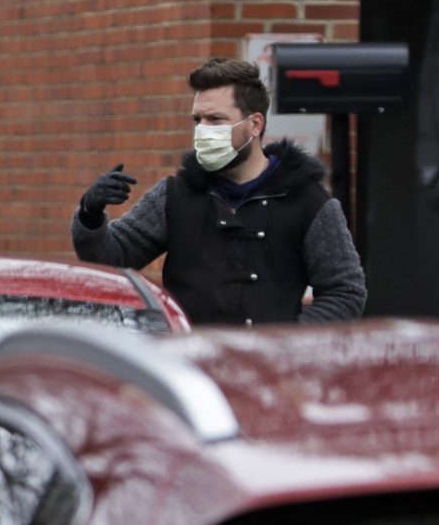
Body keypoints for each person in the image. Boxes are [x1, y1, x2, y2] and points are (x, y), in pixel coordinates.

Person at [71, 57, 367, 327]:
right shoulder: (174, 195)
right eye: (197, 120)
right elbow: (111, 261)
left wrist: (287, 342)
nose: (203, 130)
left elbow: (346, 291)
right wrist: (90, 213)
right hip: (191, 366)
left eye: (215, 120)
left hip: (268, 373)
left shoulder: (308, 200)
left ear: (254, 124)